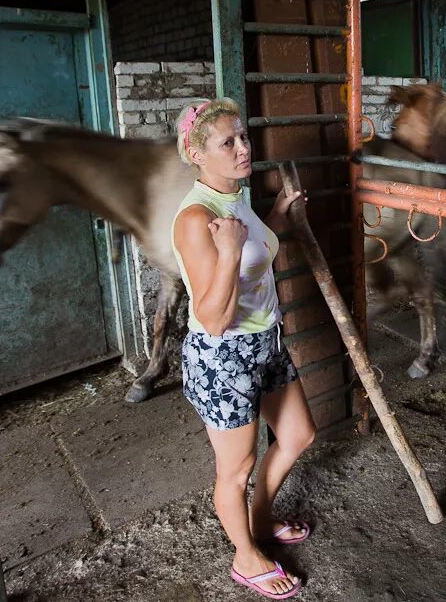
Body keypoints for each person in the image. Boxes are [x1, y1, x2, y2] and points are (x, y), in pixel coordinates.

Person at [172, 98, 315, 599]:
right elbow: (212, 318)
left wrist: (275, 216)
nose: (241, 148)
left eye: (242, 137)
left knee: (298, 434)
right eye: (226, 142)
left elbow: (254, 247)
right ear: (197, 154)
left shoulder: (235, 198)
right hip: (223, 357)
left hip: (266, 342)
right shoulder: (196, 217)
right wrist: (230, 249)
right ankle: (245, 557)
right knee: (235, 470)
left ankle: (259, 519)